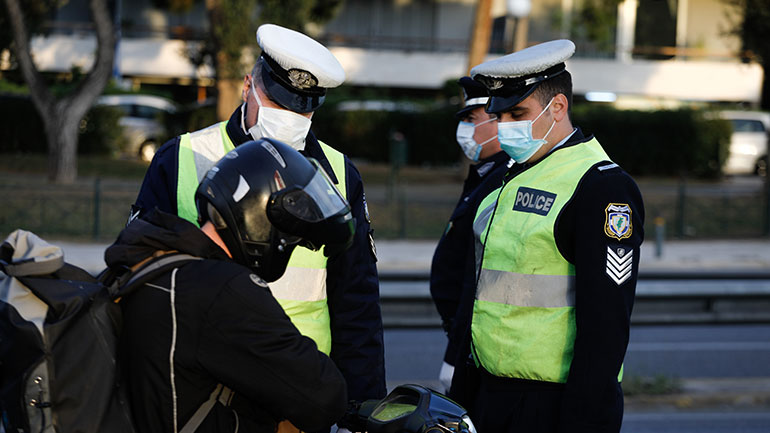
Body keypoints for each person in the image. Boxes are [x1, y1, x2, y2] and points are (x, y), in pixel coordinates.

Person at [129, 23, 385, 411]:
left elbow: (356, 297)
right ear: (249, 85)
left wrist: (362, 403)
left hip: (298, 390)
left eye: (305, 107)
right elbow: (140, 270)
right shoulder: (181, 157)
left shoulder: (338, 172)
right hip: (202, 388)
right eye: (280, 101)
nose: (291, 117)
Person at [455, 40, 645, 433]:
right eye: (499, 115)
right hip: (489, 394)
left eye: (516, 113)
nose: (504, 126)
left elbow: (605, 327)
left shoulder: (598, 187)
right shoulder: (510, 177)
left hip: (552, 405)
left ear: (557, 106)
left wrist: (583, 421)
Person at [108, 138, 354, 432]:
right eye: (292, 238)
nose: (291, 247)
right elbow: (325, 397)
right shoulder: (222, 291)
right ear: (260, 214)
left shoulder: (150, 264)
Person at [429, 76, 510, 393]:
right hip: (468, 340)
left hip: (478, 344)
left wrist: (456, 354)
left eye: (471, 119)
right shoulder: (483, 174)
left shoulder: (501, 179)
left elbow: (475, 279)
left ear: (497, 121)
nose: (464, 128)